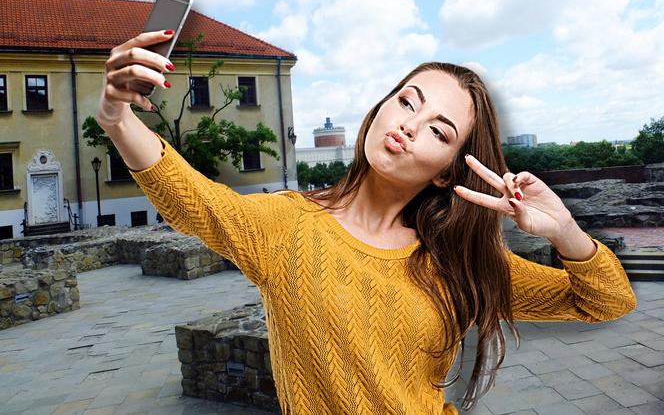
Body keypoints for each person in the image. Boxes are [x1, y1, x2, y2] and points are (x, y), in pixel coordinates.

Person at [97, 30, 637, 414]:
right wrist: (117, 116)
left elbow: (606, 302)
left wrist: (565, 231)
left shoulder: (457, 261)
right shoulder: (287, 226)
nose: (408, 125)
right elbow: (190, 198)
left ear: (449, 173)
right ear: (380, 108)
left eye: (439, 131)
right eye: (407, 102)